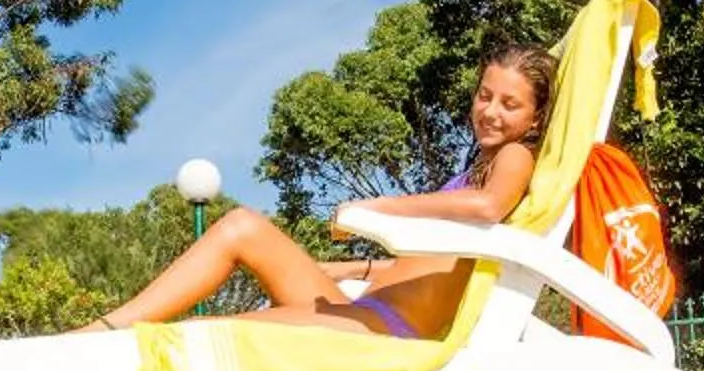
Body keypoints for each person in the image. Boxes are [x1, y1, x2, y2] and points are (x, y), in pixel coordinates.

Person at [82, 46, 556, 343]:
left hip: (384, 330)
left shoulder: (515, 156)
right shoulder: (479, 165)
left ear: (535, 119)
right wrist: (354, 267)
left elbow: (488, 206)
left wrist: (379, 206)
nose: (490, 111)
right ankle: (106, 330)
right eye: (484, 95)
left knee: (201, 336)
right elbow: (439, 267)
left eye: (510, 104)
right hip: (364, 306)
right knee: (241, 226)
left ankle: (102, 342)